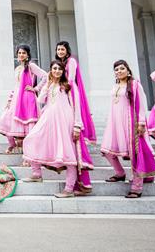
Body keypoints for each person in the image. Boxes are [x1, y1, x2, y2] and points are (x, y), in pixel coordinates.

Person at [22, 60, 93, 198]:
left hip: (65, 121)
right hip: (48, 120)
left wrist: (77, 125)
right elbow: (40, 100)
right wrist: (47, 84)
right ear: (50, 70)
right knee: (31, 139)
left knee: (68, 153)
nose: (57, 71)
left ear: (63, 72)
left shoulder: (69, 86)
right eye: (54, 68)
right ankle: (36, 174)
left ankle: (69, 189)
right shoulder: (50, 84)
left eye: (59, 69)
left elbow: (77, 106)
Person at [101, 60, 155, 198]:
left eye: (122, 68)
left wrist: (141, 122)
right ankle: (120, 173)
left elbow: (141, 103)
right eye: (116, 69)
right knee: (106, 150)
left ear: (128, 70)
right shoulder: (115, 86)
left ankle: (137, 187)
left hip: (130, 122)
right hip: (115, 124)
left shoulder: (134, 84)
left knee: (135, 153)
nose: (119, 71)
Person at [55, 41, 95, 193]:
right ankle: (79, 184)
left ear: (67, 50)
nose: (60, 51)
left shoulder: (71, 62)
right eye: (58, 49)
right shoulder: (61, 65)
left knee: (77, 147)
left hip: (70, 95)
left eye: (62, 49)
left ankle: (84, 184)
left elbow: (71, 78)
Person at [0, 44, 47, 154]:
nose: (21, 54)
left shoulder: (31, 66)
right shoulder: (18, 68)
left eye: (23, 53)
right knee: (5, 120)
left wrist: (36, 88)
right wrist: (10, 99)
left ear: (28, 55)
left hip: (28, 99)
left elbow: (45, 76)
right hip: (16, 99)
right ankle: (13, 144)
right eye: (19, 53)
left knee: (27, 127)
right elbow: (17, 85)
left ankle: (28, 153)